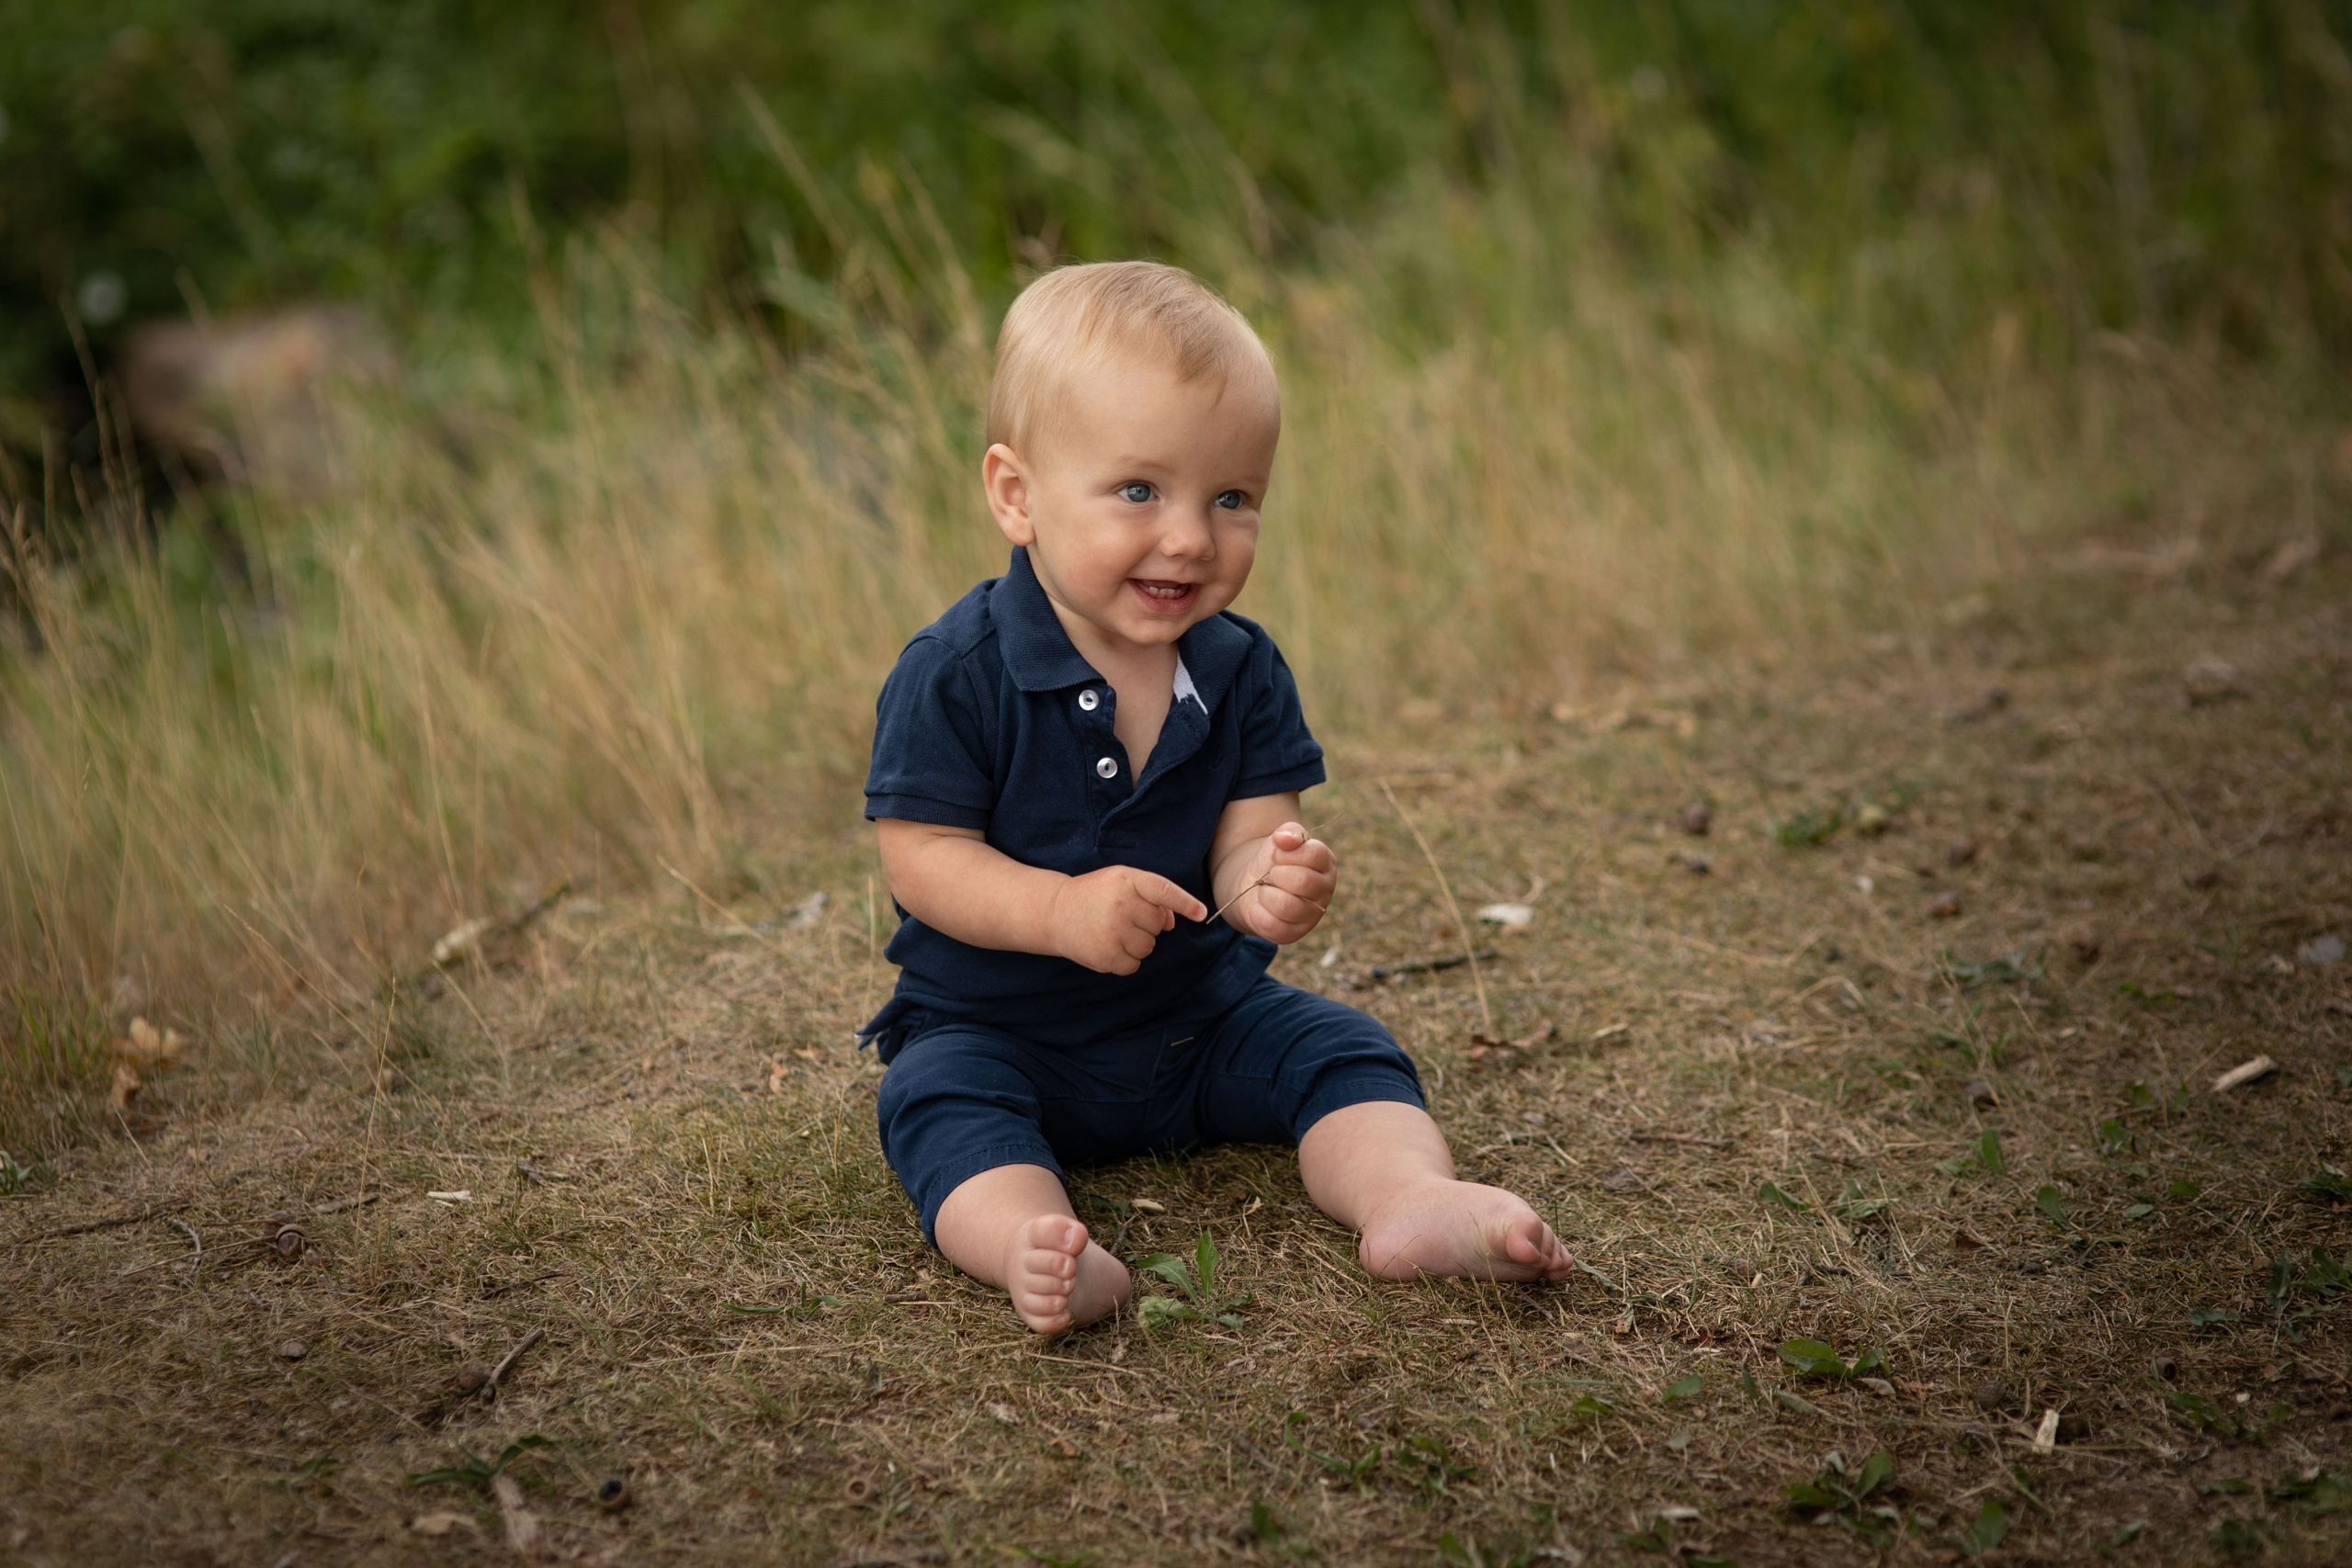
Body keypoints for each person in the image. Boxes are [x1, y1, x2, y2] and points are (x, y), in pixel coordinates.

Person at [861, 261, 1573, 1333]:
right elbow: (920, 856)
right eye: (1138, 491)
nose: (1191, 537)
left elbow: (1252, 831)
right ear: (1017, 495)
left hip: (1197, 1021)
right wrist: (1058, 911)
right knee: (935, 1103)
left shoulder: (1239, 666)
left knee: (1340, 1049)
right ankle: (1030, 1243)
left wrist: (1266, 882)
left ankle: (1407, 1199)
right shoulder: (957, 673)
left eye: (1230, 498)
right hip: (1000, 1032)